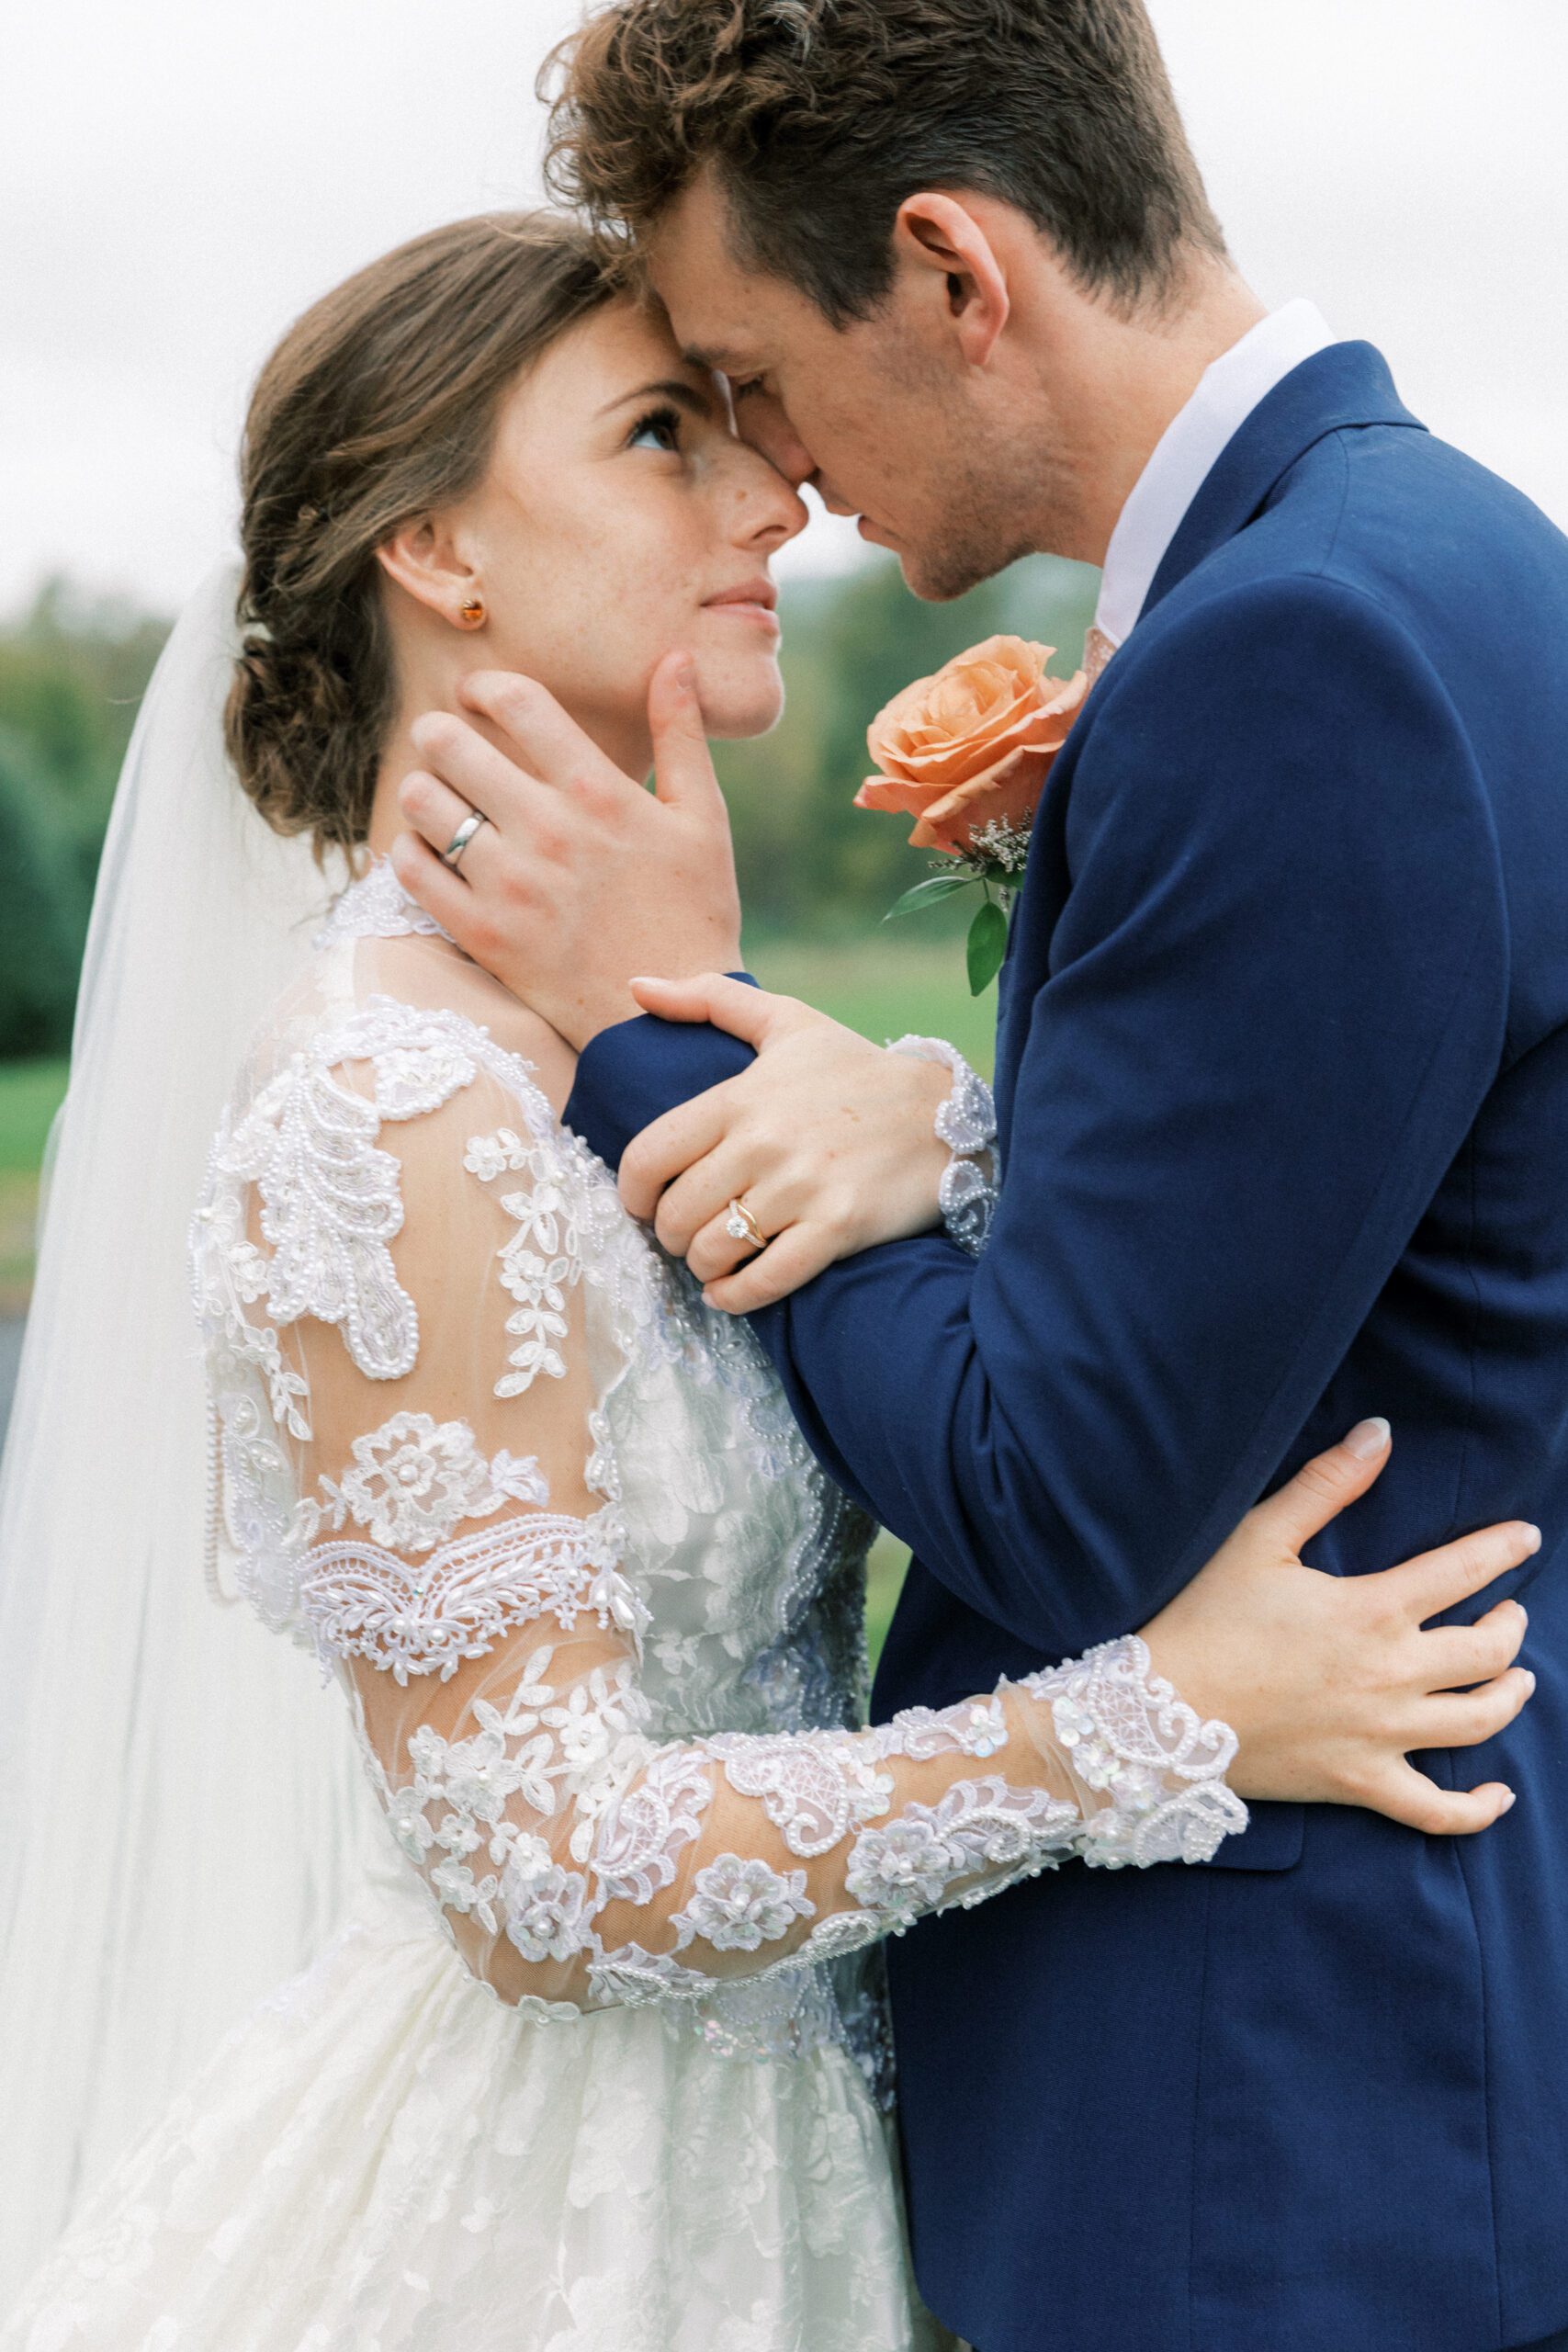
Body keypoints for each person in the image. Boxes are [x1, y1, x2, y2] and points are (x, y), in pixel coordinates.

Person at [0, 210, 1537, 2349]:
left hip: (822, 2151)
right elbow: (538, 1868)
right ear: (434, 545)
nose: (770, 493)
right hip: (563, 2228)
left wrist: (942, 1122)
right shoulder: (384, 1111)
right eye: (662, 435)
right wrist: (1161, 1718)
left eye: (747, 424)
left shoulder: (639, 1036)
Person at [385, 7, 1568, 2349]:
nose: (773, 473)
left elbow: (1045, 1487)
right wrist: (936, 1122)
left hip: (1249, 2123)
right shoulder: (1458, 557)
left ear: (947, 270)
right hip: (1360, 2065)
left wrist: (650, 1027)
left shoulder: (1291, 649)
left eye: (748, 370)